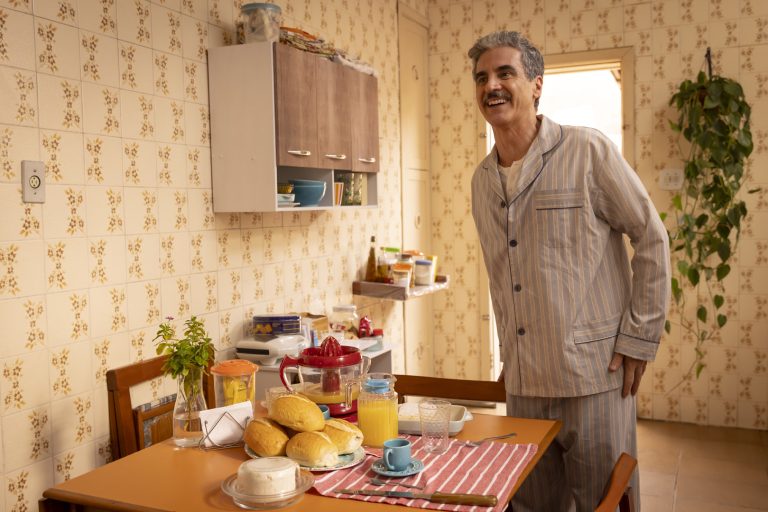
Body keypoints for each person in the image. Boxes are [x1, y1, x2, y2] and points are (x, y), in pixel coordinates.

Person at [468, 31, 670, 511]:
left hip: (594, 376)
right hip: (524, 383)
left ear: (537, 85)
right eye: (481, 78)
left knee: (604, 501)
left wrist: (639, 338)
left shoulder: (587, 152)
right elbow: (504, 278)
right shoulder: (481, 180)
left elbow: (651, 237)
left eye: (505, 73)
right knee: (528, 503)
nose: (491, 86)